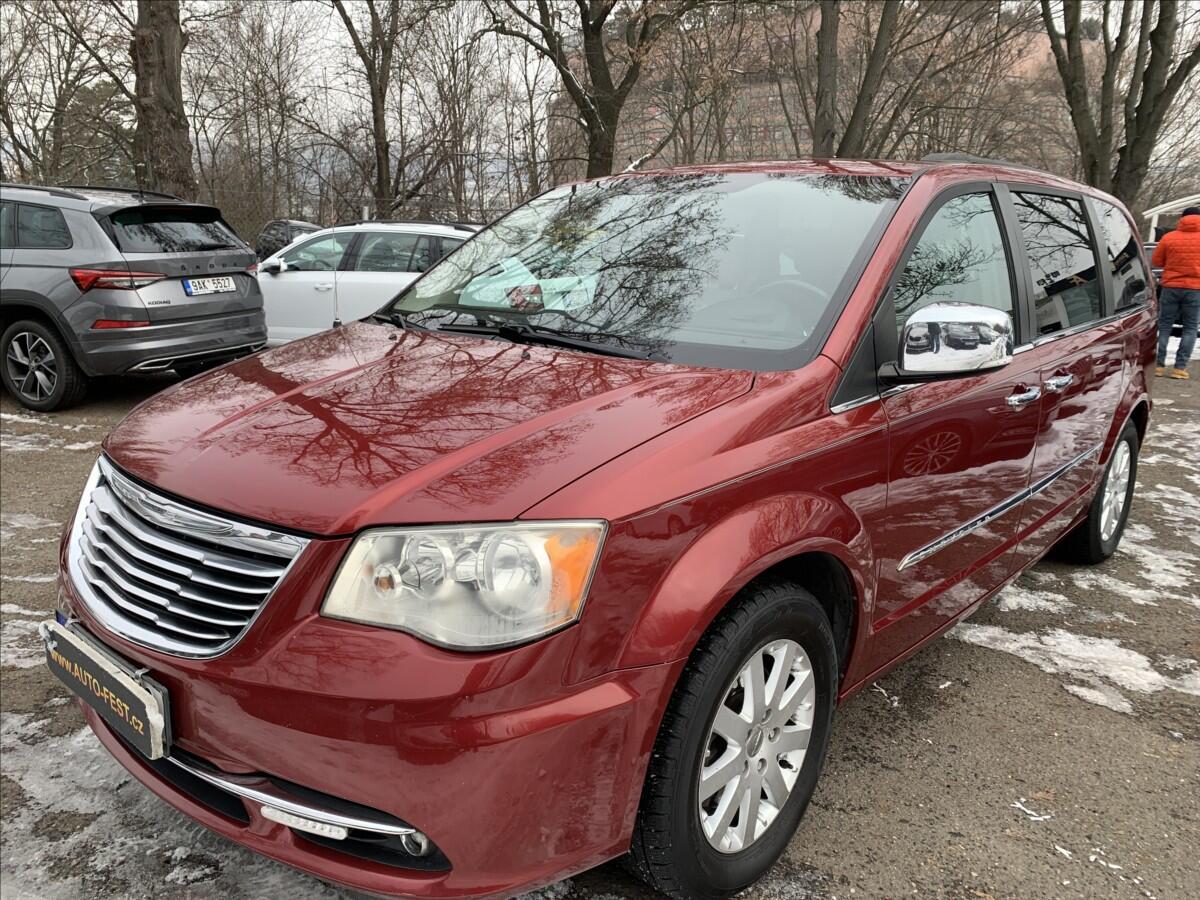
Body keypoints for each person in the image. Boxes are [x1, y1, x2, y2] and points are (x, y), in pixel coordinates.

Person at [1152, 206, 1200, 379]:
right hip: (1195, 289)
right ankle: (1179, 368)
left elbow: (1157, 261)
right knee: (1190, 328)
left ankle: (1158, 365)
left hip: (1170, 287)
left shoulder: (1168, 237)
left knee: (1164, 325)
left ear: (1182, 218)